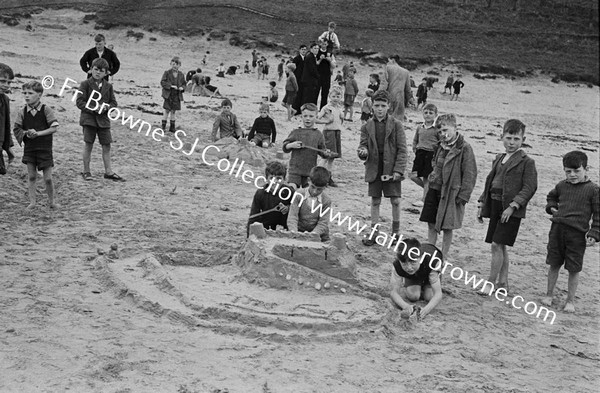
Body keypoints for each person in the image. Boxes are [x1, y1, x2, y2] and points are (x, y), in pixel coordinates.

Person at [477, 119, 537, 294]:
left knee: (496, 244)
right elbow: (490, 182)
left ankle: (490, 283)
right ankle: (503, 283)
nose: (512, 143)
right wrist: (482, 202)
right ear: (501, 136)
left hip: (510, 209)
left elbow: (530, 187)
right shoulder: (499, 158)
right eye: (508, 138)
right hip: (495, 204)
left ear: (523, 139)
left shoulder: (527, 162)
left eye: (516, 139)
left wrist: (513, 206)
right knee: (500, 245)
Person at [541, 151, 599, 313]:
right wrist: (551, 208)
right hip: (557, 230)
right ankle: (549, 295)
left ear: (586, 169)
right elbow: (551, 197)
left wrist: (594, 234)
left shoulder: (593, 190)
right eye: (568, 171)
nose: (572, 175)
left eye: (576, 171)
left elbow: (598, 215)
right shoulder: (561, 186)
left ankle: (570, 301)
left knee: (574, 268)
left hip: (577, 235)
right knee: (554, 263)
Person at [419, 114, 477, 258]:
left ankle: (443, 256)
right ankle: (430, 252)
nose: (443, 134)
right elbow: (435, 164)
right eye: (439, 132)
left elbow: (470, 173)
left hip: (452, 193)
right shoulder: (439, 146)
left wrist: (463, 196)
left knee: (447, 226)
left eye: (445, 130)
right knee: (431, 222)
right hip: (434, 189)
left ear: (455, 127)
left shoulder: (465, 148)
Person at [357, 90, 407, 246]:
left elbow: (402, 149)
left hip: (391, 168)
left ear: (389, 106)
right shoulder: (367, 126)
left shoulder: (397, 125)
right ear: (372, 106)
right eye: (377, 105)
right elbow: (363, 145)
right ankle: (374, 232)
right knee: (375, 201)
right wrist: (363, 152)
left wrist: (398, 170)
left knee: (396, 200)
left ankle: (396, 233)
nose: (379, 109)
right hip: (374, 167)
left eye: (383, 106)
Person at [12, 81, 59, 209]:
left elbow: (54, 128)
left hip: (45, 148)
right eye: (25, 93)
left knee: (48, 178)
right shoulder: (22, 112)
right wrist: (26, 133)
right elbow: (16, 129)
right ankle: (32, 202)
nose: (27, 96)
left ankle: (52, 202)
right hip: (30, 149)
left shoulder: (46, 109)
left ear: (39, 95)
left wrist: (38, 133)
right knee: (32, 176)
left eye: (30, 93)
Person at [76, 58, 123, 181]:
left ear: (106, 73)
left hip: (104, 121)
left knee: (106, 145)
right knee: (88, 145)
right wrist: (94, 109)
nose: (97, 73)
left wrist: (107, 107)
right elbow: (79, 102)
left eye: (101, 71)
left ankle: (108, 171)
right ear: (91, 69)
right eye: (95, 69)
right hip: (89, 120)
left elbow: (113, 102)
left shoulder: (108, 86)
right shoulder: (85, 84)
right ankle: (86, 171)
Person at [390, 237, 443, 321]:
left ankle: (425, 284)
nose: (409, 267)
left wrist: (425, 310)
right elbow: (393, 292)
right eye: (404, 263)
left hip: (429, 268)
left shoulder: (433, 261)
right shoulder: (397, 264)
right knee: (413, 296)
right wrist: (406, 306)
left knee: (429, 297)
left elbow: (438, 294)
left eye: (413, 262)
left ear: (421, 258)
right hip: (415, 273)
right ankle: (415, 282)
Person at [282, 103, 330, 188]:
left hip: (310, 171)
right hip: (295, 169)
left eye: (311, 116)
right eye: (305, 116)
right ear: (301, 117)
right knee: (291, 189)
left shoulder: (318, 134)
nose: (308, 119)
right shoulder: (296, 132)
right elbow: (285, 147)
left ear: (316, 117)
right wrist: (291, 145)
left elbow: (322, 151)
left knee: (307, 193)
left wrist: (326, 153)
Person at [287, 166, 332, 242]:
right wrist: (294, 232)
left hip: (318, 234)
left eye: (319, 189)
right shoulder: (299, 194)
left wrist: (313, 235)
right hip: (299, 230)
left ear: (325, 186)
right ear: (308, 180)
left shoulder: (326, 201)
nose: (315, 191)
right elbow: (292, 216)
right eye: (313, 187)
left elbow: (323, 222)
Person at [247, 161, 292, 235]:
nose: (275, 181)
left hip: (284, 229)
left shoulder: (290, 192)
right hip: (265, 228)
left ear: (285, 179)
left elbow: (298, 210)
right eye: (271, 178)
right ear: (266, 179)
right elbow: (253, 216)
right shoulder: (260, 193)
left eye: (279, 178)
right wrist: (248, 237)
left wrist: (288, 208)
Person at [409, 104, 439, 205]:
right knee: (413, 176)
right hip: (420, 153)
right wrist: (415, 148)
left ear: (435, 115)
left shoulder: (437, 129)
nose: (428, 115)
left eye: (431, 113)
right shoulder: (420, 127)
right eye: (426, 112)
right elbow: (415, 139)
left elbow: (440, 142)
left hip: (431, 154)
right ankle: (430, 190)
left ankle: (424, 199)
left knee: (427, 177)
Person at [316, 86, 344, 187]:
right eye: (333, 96)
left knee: (332, 158)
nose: (335, 98)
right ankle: (316, 175)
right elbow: (316, 119)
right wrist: (326, 121)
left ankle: (328, 177)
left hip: (337, 133)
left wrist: (342, 118)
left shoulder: (339, 108)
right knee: (326, 155)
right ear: (329, 96)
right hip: (328, 133)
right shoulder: (326, 108)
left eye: (338, 96)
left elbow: (340, 121)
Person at [380, 55, 414, 122]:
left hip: (389, 96)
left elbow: (383, 84)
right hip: (400, 98)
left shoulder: (387, 68)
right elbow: (408, 89)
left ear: (393, 60)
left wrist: (379, 94)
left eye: (388, 60)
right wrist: (410, 99)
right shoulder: (406, 72)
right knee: (398, 120)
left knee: (386, 118)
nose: (387, 62)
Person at [160, 56, 186, 133]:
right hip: (169, 94)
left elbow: (184, 84)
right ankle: (163, 126)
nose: (175, 66)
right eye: (173, 64)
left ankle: (172, 127)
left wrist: (182, 88)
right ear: (171, 64)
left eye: (177, 64)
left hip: (177, 95)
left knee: (173, 111)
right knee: (167, 110)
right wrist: (170, 86)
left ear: (179, 65)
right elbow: (162, 82)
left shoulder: (181, 74)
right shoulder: (167, 73)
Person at [0, 63, 15, 175]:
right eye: (2, 81)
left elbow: (6, 125)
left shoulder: (5, 100)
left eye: (9, 82)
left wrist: (8, 148)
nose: (6, 85)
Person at [317, 39, 335, 109]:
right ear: (320, 44)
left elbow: (334, 66)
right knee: (315, 92)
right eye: (322, 44)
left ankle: (323, 109)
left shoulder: (330, 54)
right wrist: (320, 59)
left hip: (326, 76)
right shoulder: (317, 52)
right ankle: (314, 109)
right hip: (318, 75)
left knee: (325, 94)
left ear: (327, 44)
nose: (323, 45)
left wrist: (330, 60)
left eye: (325, 44)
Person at [291, 45, 307, 114]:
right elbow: (293, 69)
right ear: (300, 50)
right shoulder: (296, 59)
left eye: (305, 49)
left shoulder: (306, 58)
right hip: (297, 79)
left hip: (304, 79)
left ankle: (300, 109)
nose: (304, 51)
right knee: (297, 94)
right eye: (302, 49)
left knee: (302, 95)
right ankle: (295, 109)